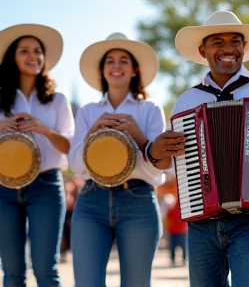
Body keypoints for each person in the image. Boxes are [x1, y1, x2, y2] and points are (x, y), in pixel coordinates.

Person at [147, 10, 249, 287]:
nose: (228, 48)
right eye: (217, 41)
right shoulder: (188, 100)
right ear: (203, 50)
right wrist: (158, 152)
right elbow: (173, 168)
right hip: (201, 223)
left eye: (235, 41)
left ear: (244, 48)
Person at [68, 32, 165, 287]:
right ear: (102, 70)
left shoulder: (150, 110)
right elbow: (77, 166)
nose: (117, 65)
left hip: (139, 200)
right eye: (110, 60)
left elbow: (159, 169)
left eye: (124, 60)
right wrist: (92, 131)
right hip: (91, 201)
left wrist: (136, 133)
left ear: (134, 70)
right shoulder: (87, 112)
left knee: (136, 283)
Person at [0, 24, 74, 287]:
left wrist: (43, 129)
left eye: (38, 51)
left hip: (46, 187)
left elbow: (72, 147)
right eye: (24, 51)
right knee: (12, 272)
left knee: (46, 271)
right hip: (3, 189)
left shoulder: (57, 100)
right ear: (12, 57)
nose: (33, 56)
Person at [165, 194, 187, 266]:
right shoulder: (171, 210)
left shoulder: (182, 210)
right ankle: (173, 260)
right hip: (173, 231)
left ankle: (183, 260)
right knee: (173, 246)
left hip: (181, 231)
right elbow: (168, 221)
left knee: (183, 246)